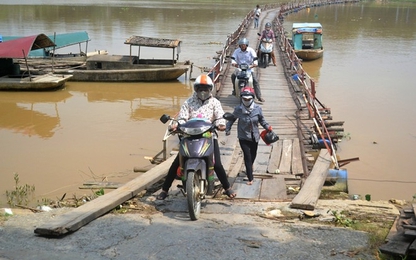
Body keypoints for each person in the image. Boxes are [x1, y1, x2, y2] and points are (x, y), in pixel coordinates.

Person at [157, 74, 237, 200]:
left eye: (205, 89)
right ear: (196, 89)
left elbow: (220, 116)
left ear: (210, 89)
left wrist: (221, 124)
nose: (203, 91)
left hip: (208, 136)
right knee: (176, 163)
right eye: (200, 88)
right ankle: (165, 190)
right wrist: (176, 126)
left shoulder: (214, 102)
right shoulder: (189, 102)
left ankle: (227, 187)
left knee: (217, 165)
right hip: (189, 136)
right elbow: (182, 117)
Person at [225, 87, 272, 185]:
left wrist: (267, 127)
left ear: (252, 99)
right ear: (241, 98)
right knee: (247, 156)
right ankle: (250, 178)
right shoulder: (238, 109)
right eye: (244, 99)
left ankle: (249, 167)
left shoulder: (257, 109)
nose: (246, 101)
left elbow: (262, 120)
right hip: (243, 136)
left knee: (253, 154)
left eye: (248, 99)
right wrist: (227, 128)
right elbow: (232, 119)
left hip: (255, 136)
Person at [231, 38, 265, 102]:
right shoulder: (237, 51)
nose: (242, 46)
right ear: (239, 45)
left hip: (249, 68)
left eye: (244, 45)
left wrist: (254, 64)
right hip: (239, 68)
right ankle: (235, 90)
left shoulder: (251, 51)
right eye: (241, 45)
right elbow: (233, 58)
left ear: (246, 45)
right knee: (233, 76)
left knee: (255, 80)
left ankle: (259, 96)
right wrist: (234, 63)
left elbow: (255, 58)